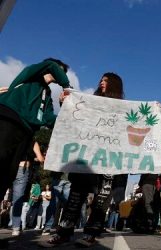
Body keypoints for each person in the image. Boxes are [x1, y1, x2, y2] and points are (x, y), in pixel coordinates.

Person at [40, 72, 128, 248]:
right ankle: (64, 233)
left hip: (108, 160)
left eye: (106, 80)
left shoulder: (123, 107)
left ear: (115, 85)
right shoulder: (90, 101)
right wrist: (64, 104)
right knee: (76, 195)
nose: (102, 82)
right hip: (86, 157)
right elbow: (74, 118)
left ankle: (91, 234)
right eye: (101, 79)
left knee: (101, 199)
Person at [0, 58, 71, 201]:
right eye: (61, 71)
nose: (60, 75)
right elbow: (50, 65)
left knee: (9, 172)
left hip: (26, 131)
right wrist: (67, 87)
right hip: (9, 118)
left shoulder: (48, 94)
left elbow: (50, 119)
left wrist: (64, 107)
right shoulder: (32, 75)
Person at [11, 140, 45, 236]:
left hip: (9, 166)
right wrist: (41, 159)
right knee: (17, 198)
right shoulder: (32, 142)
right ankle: (16, 228)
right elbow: (40, 159)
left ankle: (17, 226)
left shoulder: (14, 135)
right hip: (22, 168)